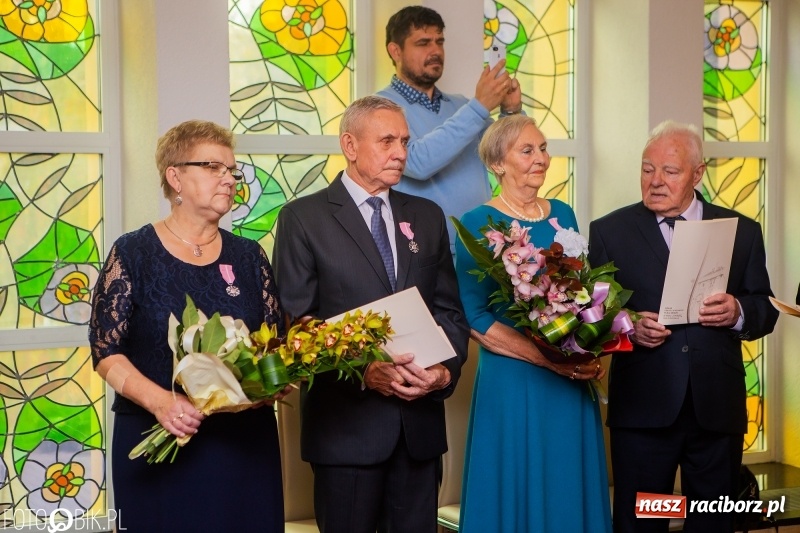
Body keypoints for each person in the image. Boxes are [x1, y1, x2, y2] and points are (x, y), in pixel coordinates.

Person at [272, 95, 470, 533]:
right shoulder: (303, 219)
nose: (401, 152)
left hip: (419, 435)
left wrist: (442, 374)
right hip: (346, 436)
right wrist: (365, 372)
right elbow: (295, 330)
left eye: (404, 141)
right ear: (350, 144)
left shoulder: (427, 216)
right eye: (387, 141)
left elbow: (450, 314)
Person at [89, 120, 290, 532]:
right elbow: (105, 351)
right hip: (158, 438)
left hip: (244, 446)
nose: (228, 179)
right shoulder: (133, 252)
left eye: (232, 170)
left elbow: (275, 348)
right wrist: (163, 402)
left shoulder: (250, 257)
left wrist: (267, 385)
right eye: (213, 167)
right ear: (175, 176)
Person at [588, 121, 779, 533]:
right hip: (643, 410)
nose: (655, 181)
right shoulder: (609, 231)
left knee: (711, 523)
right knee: (643, 521)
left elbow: (766, 308)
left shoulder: (742, 231)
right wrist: (630, 326)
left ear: (697, 173)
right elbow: (593, 317)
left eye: (670, 172)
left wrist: (738, 311)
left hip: (716, 408)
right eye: (646, 169)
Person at [454, 114, 612, 532]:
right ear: (497, 164)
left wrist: (588, 349)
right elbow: (474, 316)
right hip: (514, 381)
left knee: (566, 483)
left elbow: (583, 291)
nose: (541, 158)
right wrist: (548, 361)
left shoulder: (562, 212)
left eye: (543, 148)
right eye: (527, 150)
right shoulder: (477, 224)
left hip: (570, 379)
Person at [377, 5, 522, 253]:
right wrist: (480, 106)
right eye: (423, 43)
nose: (435, 50)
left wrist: (511, 110)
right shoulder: (380, 108)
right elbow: (417, 162)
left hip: (484, 250)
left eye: (439, 41)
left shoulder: (463, 106)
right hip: (422, 251)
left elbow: (511, 156)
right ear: (395, 50)